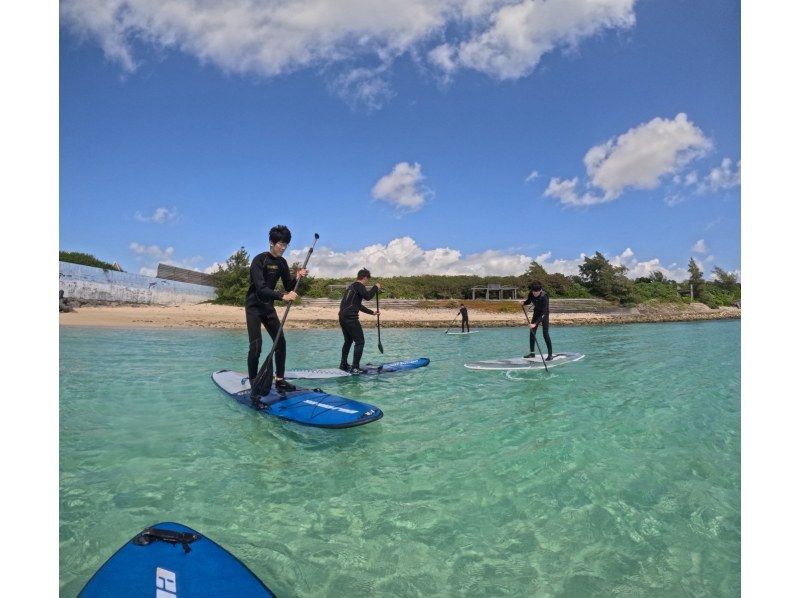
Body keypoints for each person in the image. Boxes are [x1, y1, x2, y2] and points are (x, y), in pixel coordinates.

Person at [246, 225, 307, 403]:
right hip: (254, 308)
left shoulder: (282, 263)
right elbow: (261, 288)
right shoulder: (259, 260)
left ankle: (279, 380)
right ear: (271, 242)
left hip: (268, 308)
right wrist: (282, 296)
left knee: (281, 342)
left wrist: (297, 277)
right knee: (256, 346)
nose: (283, 247)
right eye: (280, 244)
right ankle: (253, 383)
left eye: (286, 244)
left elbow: (289, 286)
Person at [338, 268, 381, 374]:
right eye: (368, 280)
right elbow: (367, 297)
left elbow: (358, 305)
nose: (367, 283)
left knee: (348, 341)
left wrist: (372, 313)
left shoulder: (351, 287)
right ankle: (355, 367)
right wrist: (376, 287)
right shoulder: (359, 286)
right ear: (365, 277)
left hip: (342, 316)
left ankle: (343, 365)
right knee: (360, 341)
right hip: (350, 317)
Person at [520, 281, 553, 360]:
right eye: (533, 291)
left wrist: (535, 324)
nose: (534, 293)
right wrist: (524, 303)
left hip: (544, 314)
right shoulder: (531, 293)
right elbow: (529, 301)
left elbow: (544, 312)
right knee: (532, 333)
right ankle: (532, 354)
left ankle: (550, 355)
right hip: (536, 313)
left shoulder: (544, 296)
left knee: (545, 334)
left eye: (536, 292)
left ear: (540, 290)